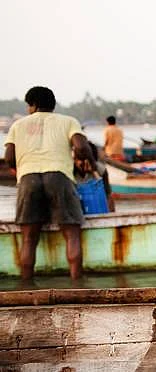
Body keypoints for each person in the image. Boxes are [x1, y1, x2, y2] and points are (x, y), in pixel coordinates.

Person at [3, 86, 95, 281]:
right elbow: (81, 146)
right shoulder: (68, 121)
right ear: (52, 104)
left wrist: (20, 168)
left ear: (33, 105)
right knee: (72, 235)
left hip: (28, 178)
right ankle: (76, 285)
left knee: (28, 239)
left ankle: (26, 287)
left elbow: (9, 157)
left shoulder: (18, 125)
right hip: (59, 177)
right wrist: (90, 164)